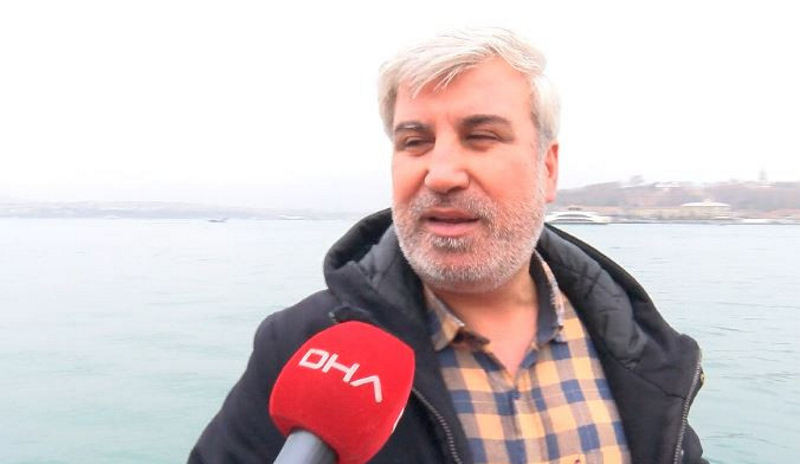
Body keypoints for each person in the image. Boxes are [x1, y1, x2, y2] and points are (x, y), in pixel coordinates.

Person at [189, 28, 706, 463]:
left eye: (481, 137)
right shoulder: (302, 347)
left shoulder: (635, 342)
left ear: (547, 169)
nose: (440, 174)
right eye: (414, 142)